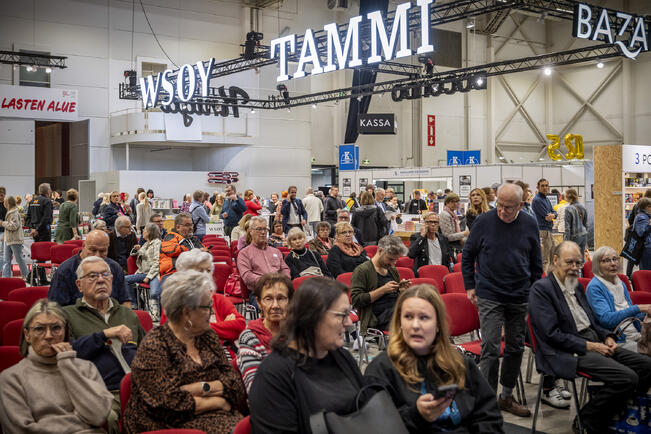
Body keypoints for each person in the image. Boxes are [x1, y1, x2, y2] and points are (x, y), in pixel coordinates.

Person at [529, 241, 651, 434]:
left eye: (578, 263)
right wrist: (591, 346)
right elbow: (552, 335)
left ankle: (615, 411)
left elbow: (592, 321)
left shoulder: (575, 285)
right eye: (569, 262)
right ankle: (586, 421)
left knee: (647, 365)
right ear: (555, 260)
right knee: (627, 378)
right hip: (566, 350)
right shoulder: (541, 289)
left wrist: (608, 337)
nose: (575, 267)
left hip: (593, 341)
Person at [365, 285, 504, 433]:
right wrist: (416, 415)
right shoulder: (381, 370)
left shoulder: (460, 363)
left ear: (438, 325)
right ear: (400, 323)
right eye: (408, 317)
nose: (415, 325)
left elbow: (489, 415)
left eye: (424, 317)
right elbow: (374, 427)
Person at [123, 271, 246, 433]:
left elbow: (235, 385)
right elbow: (167, 403)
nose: (212, 313)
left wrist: (200, 388)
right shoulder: (155, 345)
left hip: (213, 415)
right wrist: (218, 401)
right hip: (165, 424)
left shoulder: (207, 337)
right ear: (186, 313)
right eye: (207, 307)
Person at [461, 183, 542, 417]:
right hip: (490, 293)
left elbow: (536, 261)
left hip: (519, 294)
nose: (502, 211)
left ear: (521, 205)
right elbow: (468, 255)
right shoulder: (484, 221)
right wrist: (470, 286)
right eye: (499, 205)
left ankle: (506, 396)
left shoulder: (529, 223)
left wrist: (534, 289)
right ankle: (486, 400)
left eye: (508, 207)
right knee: (491, 347)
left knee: (515, 347)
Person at [249, 277, 365, 434]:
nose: (349, 323)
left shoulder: (342, 356)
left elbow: (365, 408)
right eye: (342, 315)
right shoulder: (273, 375)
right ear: (313, 317)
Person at [0, 300, 113, 433]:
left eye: (56, 328)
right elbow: (21, 430)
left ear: (65, 332)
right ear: (27, 335)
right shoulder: (11, 378)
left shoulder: (86, 368)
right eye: (39, 329)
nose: (48, 336)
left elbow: (97, 416)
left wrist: (68, 365)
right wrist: (80, 425)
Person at [64, 256, 145, 430]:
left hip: (138, 387)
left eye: (105, 274)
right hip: (99, 392)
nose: (101, 280)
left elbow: (147, 352)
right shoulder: (67, 316)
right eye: (92, 276)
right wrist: (103, 335)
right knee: (107, 416)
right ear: (79, 285)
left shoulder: (127, 314)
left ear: (112, 280)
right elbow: (65, 354)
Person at [175, 250, 245, 362]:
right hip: (190, 359)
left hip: (225, 356)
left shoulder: (218, 299)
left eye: (208, 270)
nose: (205, 275)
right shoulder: (175, 302)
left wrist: (198, 329)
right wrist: (224, 327)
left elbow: (240, 325)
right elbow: (179, 334)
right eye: (199, 270)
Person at [237, 273, 293, 393]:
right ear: (259, 303)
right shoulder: (250, 337)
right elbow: (255, 387)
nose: (275, 305)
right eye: (268, 299)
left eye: (281, 298)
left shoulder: (300, 333)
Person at [586, 246, 650, 352]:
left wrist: (645, 313)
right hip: (619, 340)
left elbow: (632, 314)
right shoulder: (594, 287)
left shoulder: (620, 282)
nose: (613, 263)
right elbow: (607, 320)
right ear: (597, 265)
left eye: (615, 259)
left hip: (637, 334)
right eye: (607, 260)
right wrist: (639, 308)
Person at [49, 229, 132, 307]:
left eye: (102, 251)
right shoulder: (64, 271)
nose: (97, 255)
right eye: (93, 250)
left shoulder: (115, 268)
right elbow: (56, 309)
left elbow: (125, 301)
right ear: (83, 246)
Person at [351, 235, 408, 333]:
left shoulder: (392, 270)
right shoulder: (362, 271)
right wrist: (383, 290)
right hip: (376, 318)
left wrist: (401, 291)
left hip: (393, 312)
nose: (393, 263)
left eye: (395, 260)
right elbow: (356, 300)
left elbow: (396, 296)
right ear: (380, 251)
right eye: (390, 259)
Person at [237, 217, 291, 303]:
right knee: (272, 305)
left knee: (298, 304)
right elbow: (247, 276)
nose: (263, 232)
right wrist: (269, 282)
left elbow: (285, 269)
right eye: (259, 229)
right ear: (251, 231)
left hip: (280, 289)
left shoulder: (275, 251)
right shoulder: (244, 253)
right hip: (260, 291)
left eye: (265, 229)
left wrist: (283, 281)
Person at [125, 222, 162, 319]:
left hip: (154, 274)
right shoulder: (146, 244)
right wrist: (136, 249)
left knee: (154, 293)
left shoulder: (157, 243)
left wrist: (148, 277)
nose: (143, 232)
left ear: (149, 232)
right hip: (143, 273)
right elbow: (133, 255)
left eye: (144, 230)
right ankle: (134, 305)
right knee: (125, 280)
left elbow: (157, 262)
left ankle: (157, 314)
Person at [159, 212, 205, 282]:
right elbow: (174, 250)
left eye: (191, 225)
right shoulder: (170, 236)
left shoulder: (194, 239)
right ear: (178, 227)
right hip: (173, 273)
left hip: (192, 273)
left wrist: (203, 253)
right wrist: (196, 252)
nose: (191, 228)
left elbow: (207, 253)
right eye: (187, 225)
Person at [408, 212, 454, 277]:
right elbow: (411, 254)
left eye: (435, 222)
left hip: (441, 274)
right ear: (424, 223)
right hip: (424, 274)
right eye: (430, 222)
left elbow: (448, 260)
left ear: (438, 224)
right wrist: (422, 235)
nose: (433, 224)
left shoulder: (443, 239)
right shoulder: (417, 237)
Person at [26, 183, 53, 283]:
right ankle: (31, 276)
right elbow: (46, 218)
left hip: (35, 232)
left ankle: (42, 278)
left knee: (40, 255)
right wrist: (37, 229)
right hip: (43, 231)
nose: (51, 191)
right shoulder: (47, 201)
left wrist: (32, 228)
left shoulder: (33, 201)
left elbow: (28, 217)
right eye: (50, 189)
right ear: (47, 191)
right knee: (43, 255)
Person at [1, 195, 29, 279]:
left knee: (19, 259)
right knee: (6, 260)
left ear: (8, 203)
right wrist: (5, 235)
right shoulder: (10, 211)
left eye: (5, 202)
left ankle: (26, 276)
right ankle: (6, 277)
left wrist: (2, 223)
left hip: (15, 240)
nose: (3, 203)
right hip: (8, 239)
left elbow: (13, 226)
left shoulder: (14, 212)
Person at [532, 178, 557, 273]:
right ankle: (543, 279)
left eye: (546, 185)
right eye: (542, 186)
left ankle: (551, 278)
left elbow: (554, 212)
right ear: (538, 187)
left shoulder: (546, 199)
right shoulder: (537, 200)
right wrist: (553, 215)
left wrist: (554, 215)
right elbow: (547, 216)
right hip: (542, 231)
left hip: (549, 231)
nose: (545, 188)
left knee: (553, 257)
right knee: (545, 259)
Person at [563, 188, 588, 256]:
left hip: (574, 236)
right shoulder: (583, 207)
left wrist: (567, 242)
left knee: (572, 256)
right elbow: (586, 224)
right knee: (581, 257)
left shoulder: (568, 208)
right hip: (583, 235)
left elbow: (567, 227)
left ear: (568, 196)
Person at [634, 197, 651, 270]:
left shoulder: (645, 216)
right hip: (646, 248)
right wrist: (650, 225)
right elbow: (641, 233)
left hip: (647, 247)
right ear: (646, 207)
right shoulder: (641, 217)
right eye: (650, 206)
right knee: (647, 271)